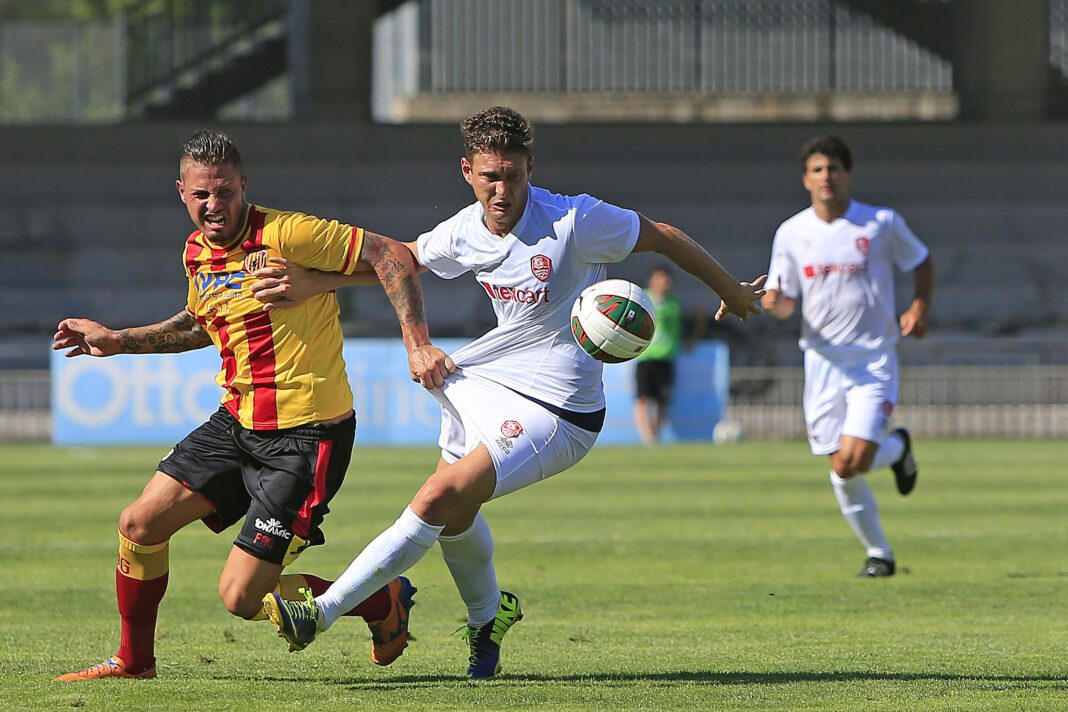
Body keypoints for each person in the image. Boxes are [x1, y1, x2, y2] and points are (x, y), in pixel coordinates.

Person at [251, 106, 766, 678]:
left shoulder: (575, 220)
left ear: (530, 169)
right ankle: (489, 616)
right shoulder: (464, 229)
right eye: (490, 176)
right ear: (467, 171)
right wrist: (312, 285)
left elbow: (664, 237)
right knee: (454, 513)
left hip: (562, 410)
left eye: (514, 175)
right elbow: (402, 260)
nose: (502, 190)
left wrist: (733, 291)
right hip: (493, 381)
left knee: (435, 497)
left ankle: (320, 614)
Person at [52, 129, 450, 680]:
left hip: (307, 439)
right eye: (201, 195)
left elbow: (393, 256)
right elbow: (200, 321)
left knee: (240, 597)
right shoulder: (197, 253)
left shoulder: (290, 233)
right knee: (139, 523)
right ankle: (134, 662)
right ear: (182, 193)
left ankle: (382, 603)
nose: (213, 205)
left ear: (243, 186)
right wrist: (120, 340)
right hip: (237, 422)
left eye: (224, 192)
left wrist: (416, 342)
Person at [761, 135, 935, 578]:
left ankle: (879, 549)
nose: (826, 176)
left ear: (848, 174)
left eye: (834, 168)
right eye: (817, 169)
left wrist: (918, 308)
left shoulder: (879, 222)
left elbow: (921, 260)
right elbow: (784, 301)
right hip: (821, 361)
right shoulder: (792, 232)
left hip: (872, 359)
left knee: (852, 461)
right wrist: (771, 303)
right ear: (805, 179)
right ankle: (895, 465)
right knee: (840, 467)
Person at [632, 265, 683, 445]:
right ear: (652, 280)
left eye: (667, 279)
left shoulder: (674, 303)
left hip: (666, 357)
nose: (665, 283)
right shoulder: (641, 299)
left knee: (662, 399)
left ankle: (656, 435)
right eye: (661, 278)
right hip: (645, 357)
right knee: (643, 398)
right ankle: (647, 437)